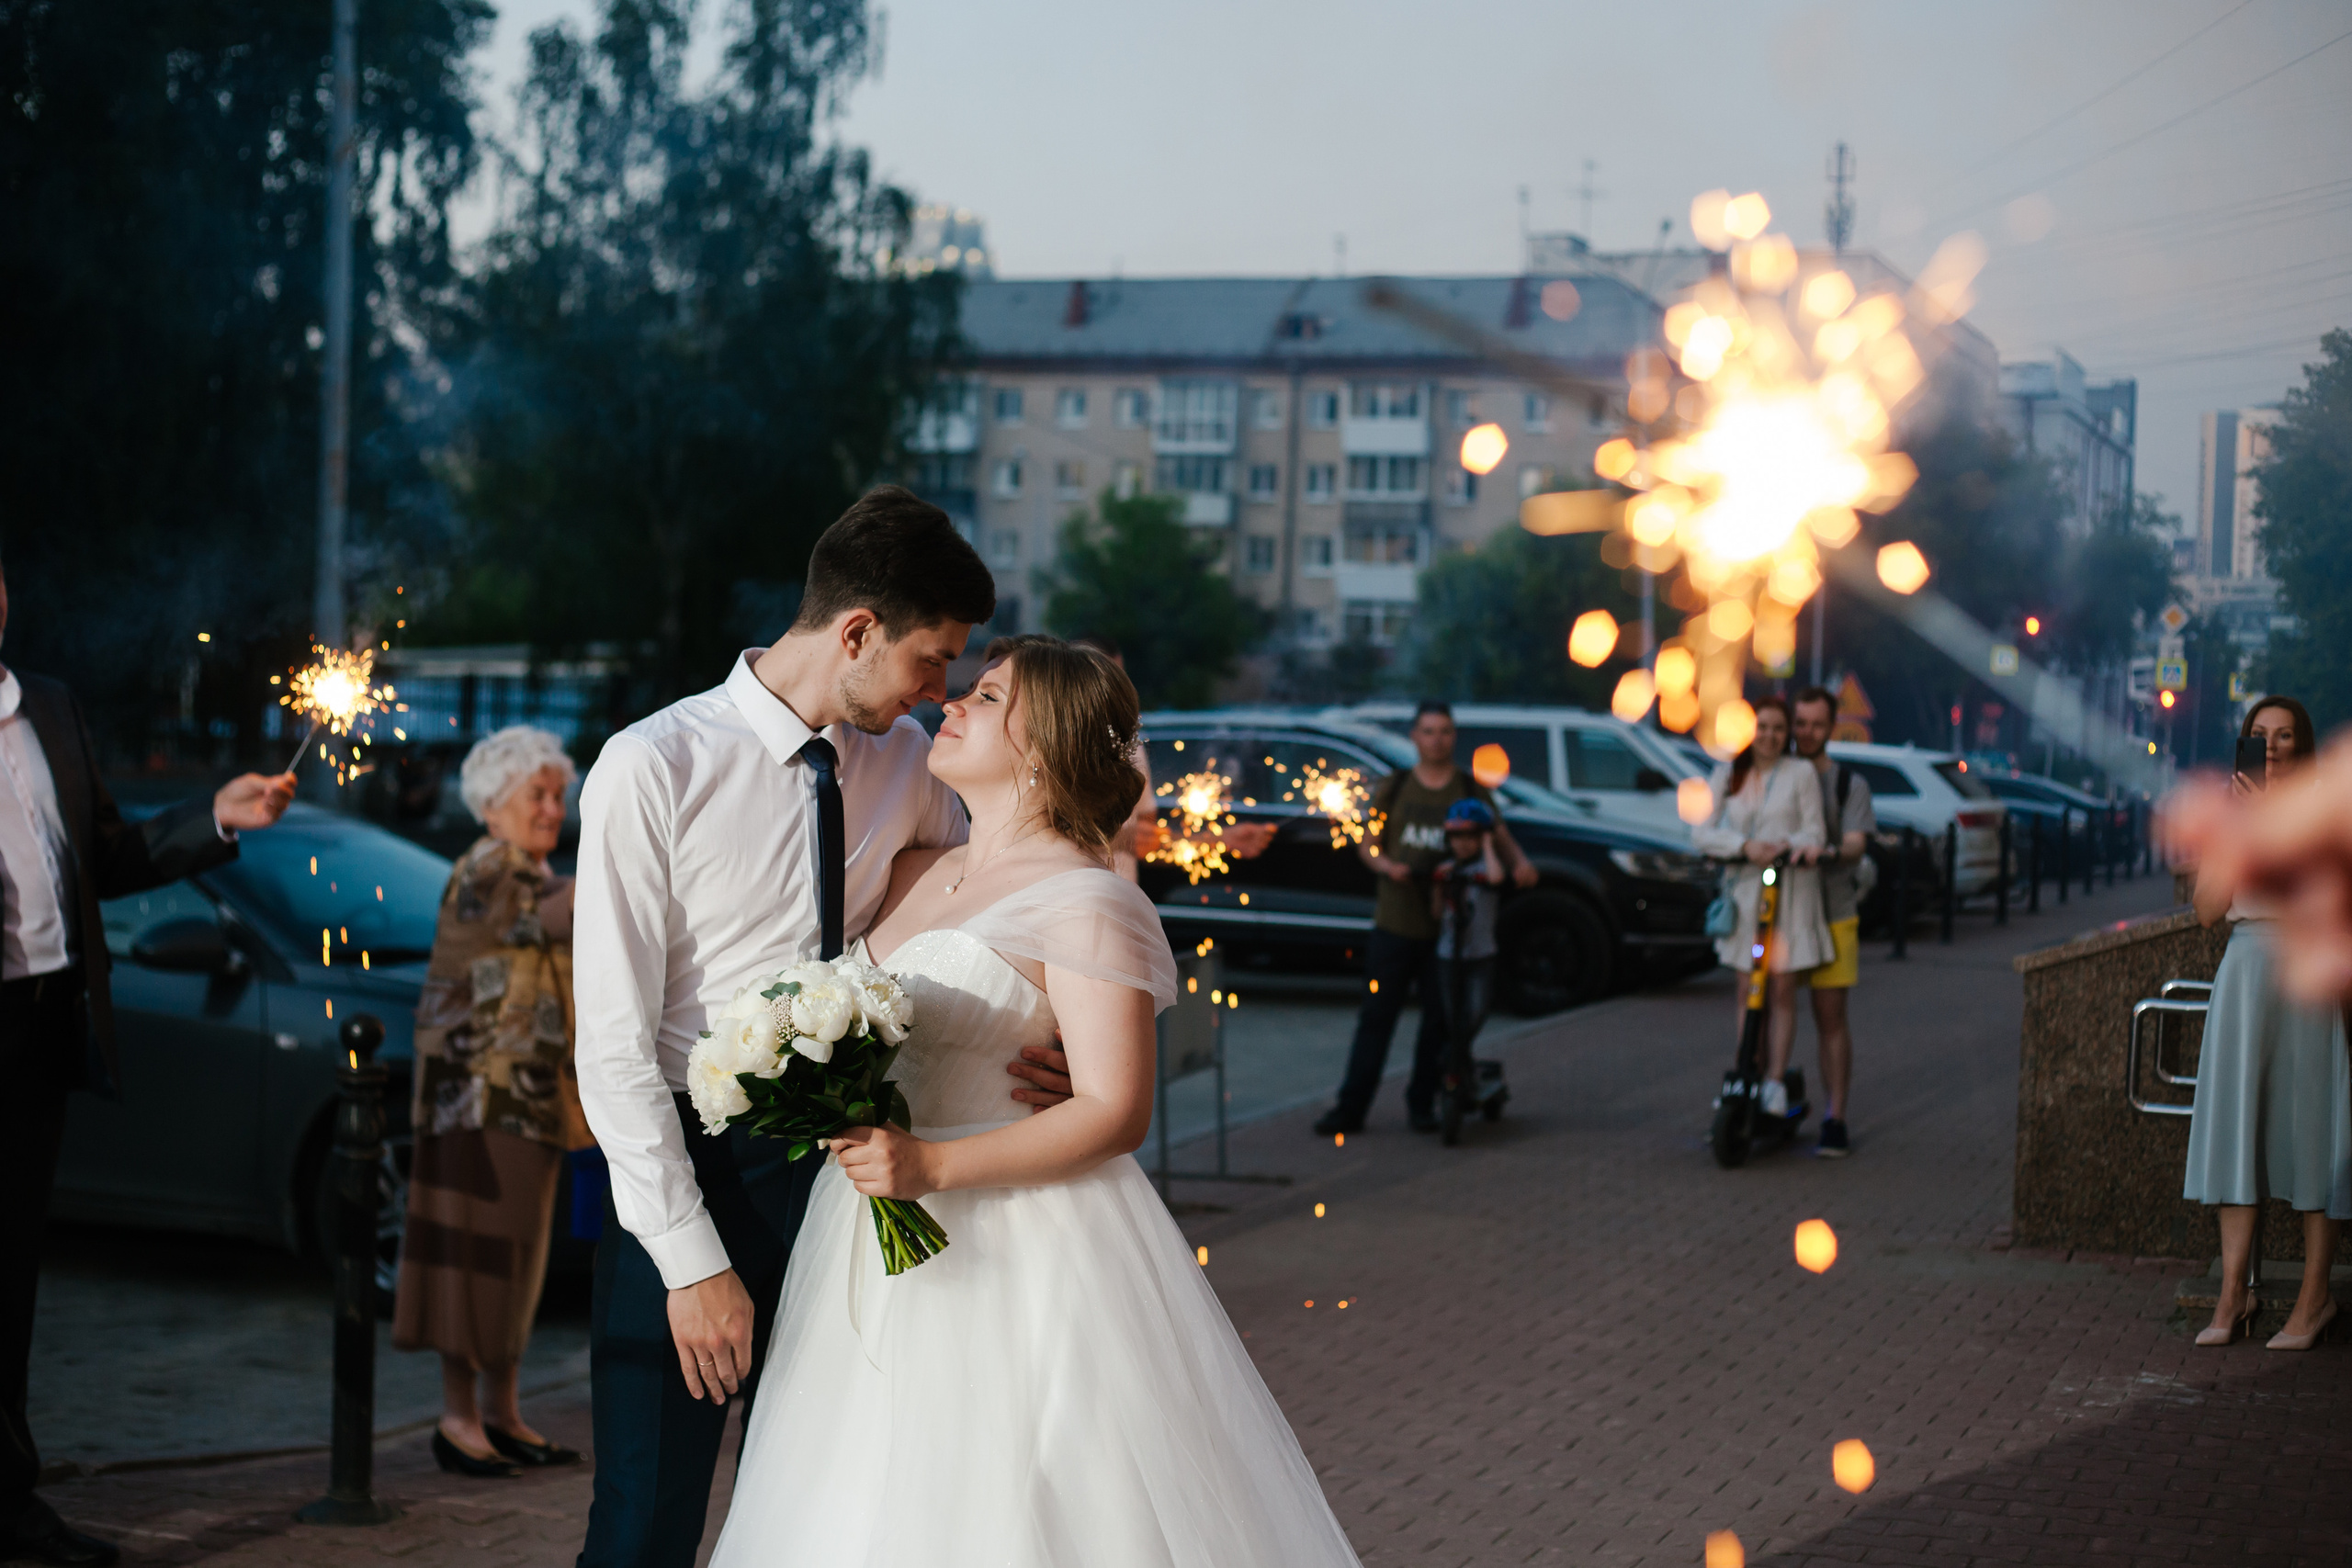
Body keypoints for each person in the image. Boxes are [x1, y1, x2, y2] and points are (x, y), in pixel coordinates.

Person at [705, 636, 1362, 1566]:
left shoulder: (1089, 899)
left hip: (1021, 1242)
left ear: (1043, 746)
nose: (953, 705)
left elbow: (1114, 1109)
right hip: (868, 1239)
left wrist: (931, 1164)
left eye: (985, 695)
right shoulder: (911, 871)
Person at [571, 487, 1077, 1568]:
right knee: (640, 1530)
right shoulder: (650, 767)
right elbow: (610, 1047)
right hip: (685, 1171)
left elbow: (1008, 882)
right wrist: (689, 1263)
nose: (940, 694)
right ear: (857, 632)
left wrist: (1064, 1028)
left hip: (849, 1180)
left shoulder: (909, 765)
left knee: (814, 1516)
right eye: (930, 661)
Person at [0, 559, 294, 1568]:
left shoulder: (48, 706)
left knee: (10, 1288)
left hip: (39, 1028)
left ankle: (11, 1508)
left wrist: (215, 815)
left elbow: (111, 856)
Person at [392, 726, 593, 1477]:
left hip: (524, 1098)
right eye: (535, 795)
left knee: (517, 1260)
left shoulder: (528, 867)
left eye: (556, 794)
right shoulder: (492, 866)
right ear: (492, 803)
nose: (551, 807)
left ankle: (501, 1412)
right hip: (480, 1102)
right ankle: (458, 1416)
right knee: (474, 1259)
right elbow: (563, 913)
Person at [2182, 696, 2347, 1350]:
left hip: (2309, 969)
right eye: (2260, 735)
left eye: (2284, 736)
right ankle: (2234, 1292)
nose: (2272, 746)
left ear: (2303, 746)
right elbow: (2206, 908)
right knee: (2236, 1131)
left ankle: (2314, 1297)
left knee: (2315, 1133)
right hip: (2246, 972)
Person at [1313, 701, 1536, 1136]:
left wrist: (1522, 865)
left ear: (1455, 737)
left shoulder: (1470, 790)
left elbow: (1500, 834)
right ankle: (1351, 1108)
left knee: (1437, 1023)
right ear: (1414, 737)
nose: (1437, 739)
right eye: (1429, 731)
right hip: (1394, 926)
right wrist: (1387, 867)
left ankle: (1423, 1104)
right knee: (1377, 1019)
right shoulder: (1395, 788)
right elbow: (1368, 844)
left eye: (1445, 731)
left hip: (1448, 933)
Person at [1689, 694, 1833, 1119]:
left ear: (1787, 735)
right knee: (1747, 987)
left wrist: (1791, 847)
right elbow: (1701, 832)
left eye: (1777, 729)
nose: (1769, 737)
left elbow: (1815, 831)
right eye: (1762, 727)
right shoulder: (1727, 774)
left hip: (1786, 893)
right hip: (1747, 894)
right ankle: (1744, 1072)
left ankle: (1773, 1081)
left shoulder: (1800, 773)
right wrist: (1744, 847)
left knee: (1782, 988)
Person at [1790, 685, 1875, 1156]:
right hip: (1781, 917)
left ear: (1831, 727)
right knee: (1765, 1011)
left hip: (1833, 914)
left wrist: (1827, 851)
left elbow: (1857, 844)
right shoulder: (1778, 775)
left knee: (1830, 1018)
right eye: (1799, 724)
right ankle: (1762, 1101)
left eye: (1816, 725)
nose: (1806, 733)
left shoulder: (1849, 785)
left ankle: (1835, 1116)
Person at [1430, 797, 1505, 1072]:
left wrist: (1487, 844)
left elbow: (1497, 879)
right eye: (1456, 837)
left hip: (1481, 954)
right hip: (1449, 954)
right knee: (1452, 1016)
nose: (1462, 843)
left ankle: (1455, 1056)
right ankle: (1459, 1064)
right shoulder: (1447, 868)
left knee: (1476, 1011)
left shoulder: (1486, 868)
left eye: (1470, 837)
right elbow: (1436, 913)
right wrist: (1438, 885)